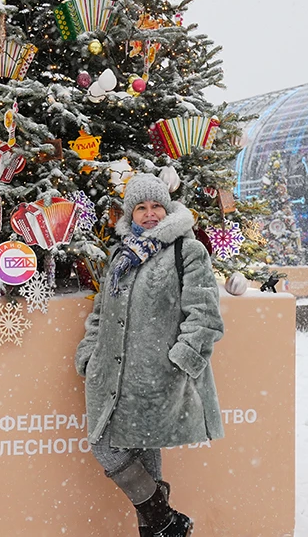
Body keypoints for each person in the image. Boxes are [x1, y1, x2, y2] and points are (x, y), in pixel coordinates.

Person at [75, 174, 224, 537]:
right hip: (112, 376)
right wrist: (89, 353)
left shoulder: (186, 251)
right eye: (141, 207)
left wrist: (180, 362)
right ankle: (167, 524)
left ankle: (164, 524)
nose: (150, 213)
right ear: (131, 214)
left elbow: (204, 314)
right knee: (117, 451)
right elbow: (102, 313)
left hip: (158, 377)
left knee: (136, 453)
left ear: (167, 208)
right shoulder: (121, 255)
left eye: (156, 205)